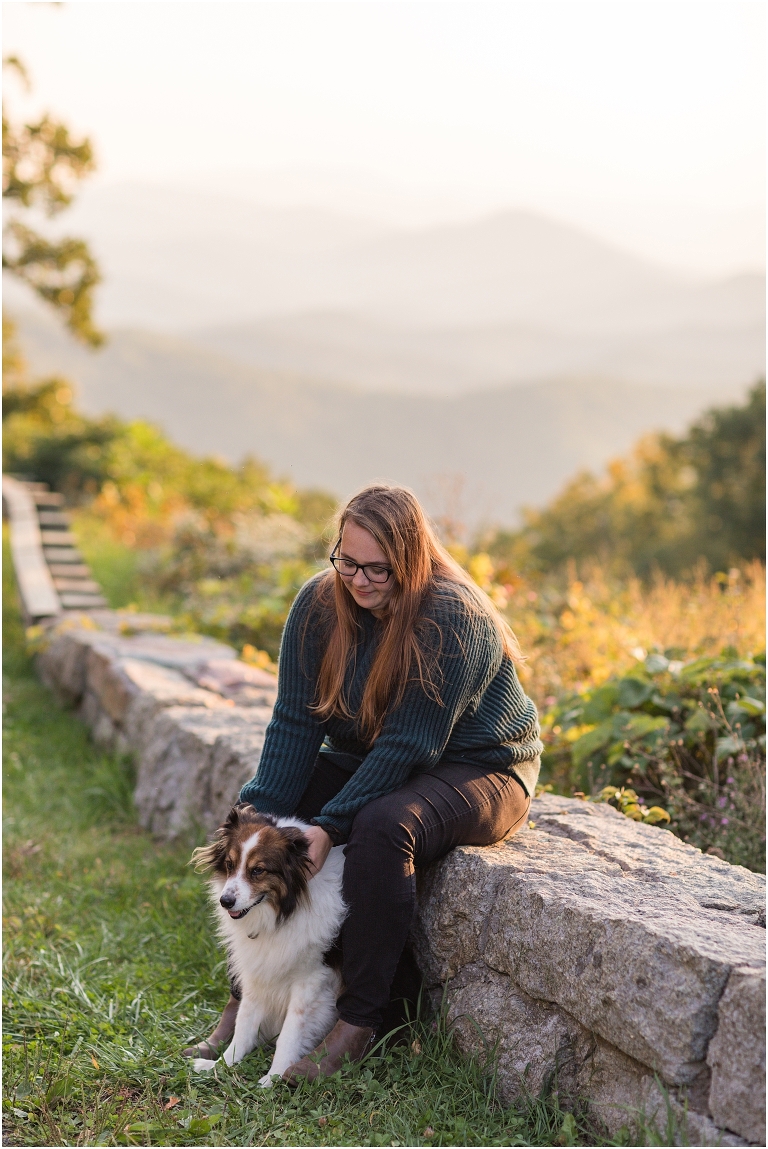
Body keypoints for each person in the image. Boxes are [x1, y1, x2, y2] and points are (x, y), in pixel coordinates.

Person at [184, 484, 542, 1080]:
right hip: (381, 756)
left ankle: (361, 1021)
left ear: (412, 560)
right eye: (347, 563)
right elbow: (296, 721)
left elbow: (411, 744)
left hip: (482, 769)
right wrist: (263, 811)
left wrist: (331, 825)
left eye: (380, 568)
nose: (361, 580)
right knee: (260, 816)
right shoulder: (317, 606)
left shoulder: (454, 617)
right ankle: (244, 1000)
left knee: (380, 826)